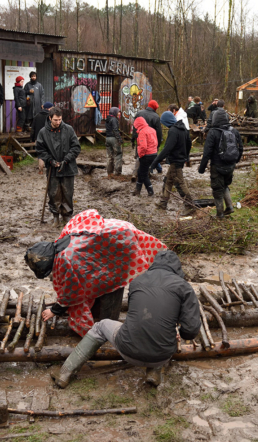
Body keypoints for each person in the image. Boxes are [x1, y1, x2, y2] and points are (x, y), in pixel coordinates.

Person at [51, 249, 200, 389]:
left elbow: (138, 315)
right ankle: (153, 372)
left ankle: (65, 373)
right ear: (177, 268)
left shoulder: (137, 281)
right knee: (166, 330)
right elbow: (191, 330)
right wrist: (178, 332)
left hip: (127, 349)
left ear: (154, 264)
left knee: (101, 326)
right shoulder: (184, 287)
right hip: (161, 356)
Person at [24, 208, 166, 341]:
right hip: (114, 238)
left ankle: (108, 330)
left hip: (121, 245)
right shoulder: (62, 242)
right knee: (100, 285)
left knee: (112, 287)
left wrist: (55, 310)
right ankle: (99, 315)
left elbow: (72, 292)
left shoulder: (66, 260)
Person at [36, 107, 81, 227]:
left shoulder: (68, 129)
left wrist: (66, 160)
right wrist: (50, 161)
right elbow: (40, 149)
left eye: (60, 120)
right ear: (50, 118)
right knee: (54, 193)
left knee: (67, 192)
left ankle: (67, 216)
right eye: (55, 120)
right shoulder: (43, 132)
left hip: (68, 167)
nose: (58, 122)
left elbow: (76, 147)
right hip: (52, 169)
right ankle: (55, 215)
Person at [198, 108, 243, 218]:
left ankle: (219, 214)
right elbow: (240, 148)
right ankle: (230, 207)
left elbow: (207, 152)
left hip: (217, 166)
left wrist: (201, 168)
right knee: (225, 185)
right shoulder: (234, 131)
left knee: (217, 190)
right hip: (231, 165)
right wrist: (235, 161)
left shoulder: (213, 132)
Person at [151, 105, 193, 213]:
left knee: (181, 182)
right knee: (169, 180)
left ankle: (190, 205)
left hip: (175, 160)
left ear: (167, 121)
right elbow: (189, 143)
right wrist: (186, 156)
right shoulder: (183, 128)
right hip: (180, 159)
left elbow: (167, 149)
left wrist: (156, 161)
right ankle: (163, 203)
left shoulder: (173, 131)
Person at [131, 100, 163, 179]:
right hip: (151, 140)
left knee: (139, 155)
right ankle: (146, 174)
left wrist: (133, 138)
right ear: (154, 107)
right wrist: (158, 143)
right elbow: (159, 132)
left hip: (139, 138)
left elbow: (134, 126)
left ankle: (135, 173)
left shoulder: (139, 113)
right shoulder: (156, 116)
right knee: (149, 156)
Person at [133, 116, 158, 196]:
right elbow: (156, 142)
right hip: (154, 153)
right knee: (141, 171)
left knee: (143, 173)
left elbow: (143, 146)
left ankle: (150, 191)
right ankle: (137, 190)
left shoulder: (142, 132)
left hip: (146, 155)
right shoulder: (152, 130)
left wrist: (140, 155)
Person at [105, 107, 123, 177]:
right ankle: (118, 172)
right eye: (118, 112)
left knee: (109, 156)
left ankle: (109, 172)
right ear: (114, 112)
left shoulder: (107, 119)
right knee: (118, 154)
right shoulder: (114, 119)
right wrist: (119, 139)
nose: (119, 113)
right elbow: (115, 130)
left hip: (107, 138)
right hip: (114, 139)